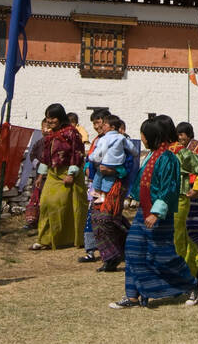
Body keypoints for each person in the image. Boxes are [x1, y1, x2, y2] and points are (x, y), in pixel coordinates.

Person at [110, 115, 198, 308]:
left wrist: (156, 212)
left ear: (153, 136)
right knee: (133, 250)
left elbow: (169, 187)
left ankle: (191, 284)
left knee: (161, 254)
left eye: (143, 135)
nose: (141, 138)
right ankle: (132, 295)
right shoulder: (152, 155)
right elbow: (144, 181)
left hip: (158, 215)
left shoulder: (168, 159)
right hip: (144, 212)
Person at [31, 103, 87, 251]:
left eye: (53, 118)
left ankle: (70, 238)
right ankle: (44, 239)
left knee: (64, 206)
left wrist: (71, 174)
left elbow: (78, 153)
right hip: (53, 173)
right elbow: (45, 155)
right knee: (46, 203)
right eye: (47, 118)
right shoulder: (50, 135)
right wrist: (40, 175)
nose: (49, 121)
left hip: (68, 174)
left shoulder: (71, 133)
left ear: (60, 117)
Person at [161, 115, 198, 280]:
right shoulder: (162, 149)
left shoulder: (177, 150)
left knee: (177, 238)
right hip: (162, 200)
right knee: (179, 236)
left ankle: (185, 274)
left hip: (178, 197)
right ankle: (196, 266)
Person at [90, 115, 134, 273]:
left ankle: (130, 247)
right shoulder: (100, 142)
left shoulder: (124, 146)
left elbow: (129, 167)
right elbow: (93, 161)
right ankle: (110, 256)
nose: (100, 127)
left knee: (107, 218)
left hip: (116, 185)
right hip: (99, 185)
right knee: (97, 218)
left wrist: (114, 170)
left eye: (103, 125)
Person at [77, 108, 113, 263]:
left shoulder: (115, 140)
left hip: (110, 185)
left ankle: (112, 249)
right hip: (95, 185)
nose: (97, 127)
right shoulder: (96, 140)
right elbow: (89, 160)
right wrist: (86, 169)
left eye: (99, 123)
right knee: (92, 216)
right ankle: (91, 250)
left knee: (108, 218)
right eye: (94, 124)